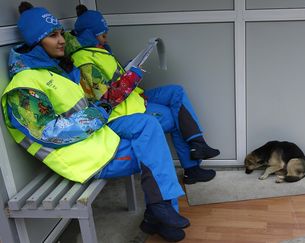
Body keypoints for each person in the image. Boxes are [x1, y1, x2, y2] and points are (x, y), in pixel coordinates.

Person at [1, 2, 187, 241]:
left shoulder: (55, 69)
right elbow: (50, 133)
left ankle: (158, 209)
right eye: (52, 36)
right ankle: (159, 210)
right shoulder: (24, 87)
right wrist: (99, 112)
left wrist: (115, 92)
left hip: (95, 138)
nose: (61, 40)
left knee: (148, 125)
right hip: (79, 158)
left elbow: (87, 102)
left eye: (61, 34)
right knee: (152, 149)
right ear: (35, 42)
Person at [64, 4, 220, 185]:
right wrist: (132, 76)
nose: (106, 38)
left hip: (133, 98)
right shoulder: (83, 60)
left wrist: (129, 68)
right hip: (120, 112)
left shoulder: (98, 51)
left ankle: (197, 144)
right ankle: (192, 167)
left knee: (176, 92)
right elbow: (104, 98)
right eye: (103, 34)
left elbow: (113, 78)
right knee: (175, 116)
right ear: (89, 34)